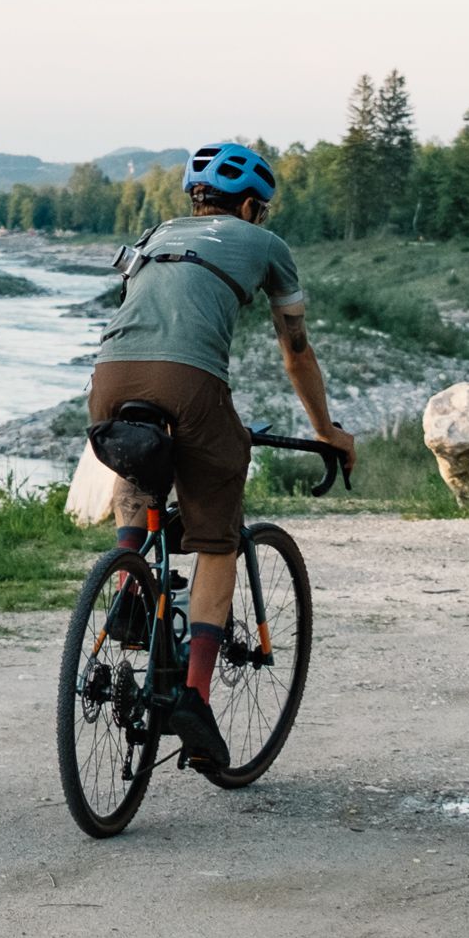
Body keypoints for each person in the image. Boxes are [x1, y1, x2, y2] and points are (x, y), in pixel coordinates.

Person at [85, 139, 354, 767]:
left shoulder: (155, 235)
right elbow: (296, 349)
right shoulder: (267, 245)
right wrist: (328, 430)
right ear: (254, 205)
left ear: (195, 196)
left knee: (140, 464)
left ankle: (129, 574)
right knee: (216, 541)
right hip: (191, 383)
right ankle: (196, 699)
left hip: (108, 381)